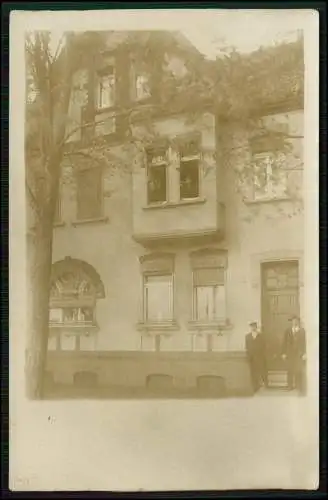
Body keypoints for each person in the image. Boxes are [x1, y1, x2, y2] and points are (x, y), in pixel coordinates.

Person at [281, 315, 306, 392]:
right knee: (289, 369)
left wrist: (304, 353)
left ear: (298, 322)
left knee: (298, 369)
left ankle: (298, 386)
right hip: (289, 354)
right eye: (293, 321)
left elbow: (304, 343)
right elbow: (284, 342)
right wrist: (283, 353)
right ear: (291, 322)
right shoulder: (287, 330)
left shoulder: (302, 331)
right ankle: (289, 386)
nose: (294, 322)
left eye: (296, 321)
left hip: (299, 354)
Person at [245, 321, 268, 394]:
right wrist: (248, 356)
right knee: (253, 372)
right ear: (250, 327)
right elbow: (247, 347)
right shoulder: (247, 336)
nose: (253, 328)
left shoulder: (261, 335)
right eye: (251, 326)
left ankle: (265, 384)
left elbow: (264, 346)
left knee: (262, 370)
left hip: (260, 356)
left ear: (256, 327)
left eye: (254, 326)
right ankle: (255, 386)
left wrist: (263, 354)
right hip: (251, 357)